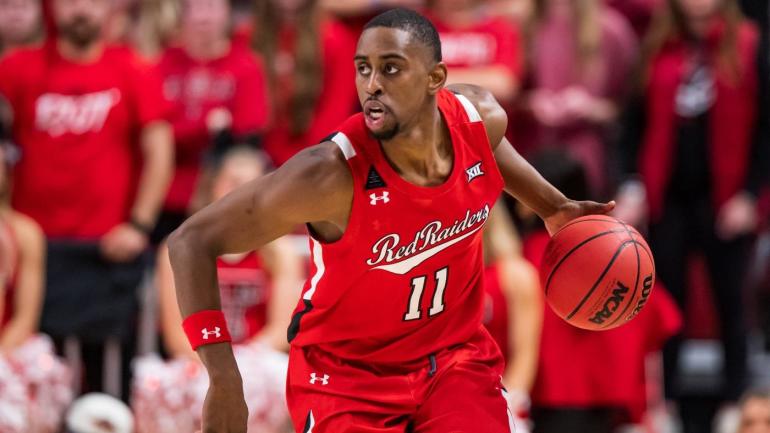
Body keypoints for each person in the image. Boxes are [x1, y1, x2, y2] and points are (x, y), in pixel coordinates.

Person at [168, 8, 613, 433]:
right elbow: (191, 240)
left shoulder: (481, 119)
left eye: (391, 68)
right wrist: (223, 379)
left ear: (435, 78)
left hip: (452, 360)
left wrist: (554, 206)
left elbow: (490, 148)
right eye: (364, 69)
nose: (372, 85)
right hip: (348, 377)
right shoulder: (326, 173)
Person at [0, 0, 173, 400]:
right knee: (37, 374)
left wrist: (139, 224)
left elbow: (158, 151)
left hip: (106, 248)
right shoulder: (16, 68)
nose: (81, 9)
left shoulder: (132, 68)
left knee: (105, 380)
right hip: (36, 248)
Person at [617, 0, 768, 430]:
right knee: (666, 304)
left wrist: (750, 195)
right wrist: (633, 184)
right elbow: (633, 122)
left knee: (732, 303)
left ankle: (734, 406)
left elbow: (765, 128)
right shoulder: (657, 45)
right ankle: (662, 405)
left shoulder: (748, 44)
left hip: (727, 197)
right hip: (668, 198)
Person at [133, 147, 302, 433]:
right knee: (158, 387)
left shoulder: (280, 251)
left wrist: (240, 366)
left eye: (251, 182)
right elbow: (177, 336)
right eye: (232, 181)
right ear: (212, 185)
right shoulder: (177, 249)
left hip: (256, 360)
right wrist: (218, 369)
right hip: (197, 361)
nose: (240, 190)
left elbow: (282, 330)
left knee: (276, 379)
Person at [153, 0, 269, 241]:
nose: (203, 18)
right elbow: (155, 133)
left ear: (227, 14)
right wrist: (204, 128)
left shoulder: (246, 65)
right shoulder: (164, 63)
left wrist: (183, 132)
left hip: (221, 195)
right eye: (196, 8)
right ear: (183, 15)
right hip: (167, 193)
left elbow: (248, 133)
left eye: (212, 7)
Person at [512, 0, 637, 194]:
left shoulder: (611, 30)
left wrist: (589, 107)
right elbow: (505, 96)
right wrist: (531, 104)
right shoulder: (523, 26)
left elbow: (628, 108)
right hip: (530, 163)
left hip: (588, 165)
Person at [249, 0, 359, 166]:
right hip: (259, 159)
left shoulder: (337, 40)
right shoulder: (248, 37)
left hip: (315, 162)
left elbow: (335, 115)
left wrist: (292, 164)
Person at [482, 202, 542, 430]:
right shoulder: (438, 274)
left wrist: (508, 403)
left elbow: (525, 356)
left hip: (502, 400)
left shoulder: (516, 275)